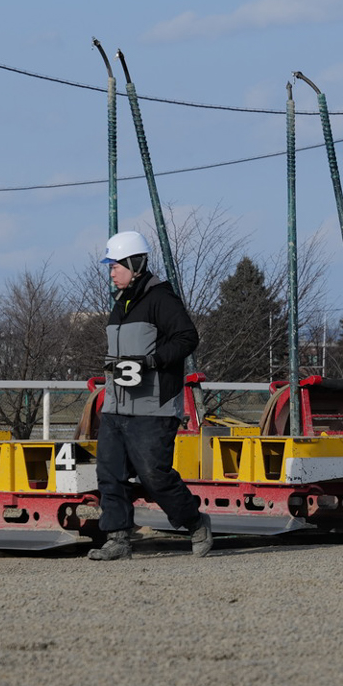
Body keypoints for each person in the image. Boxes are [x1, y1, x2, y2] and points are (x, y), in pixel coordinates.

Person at [90, 231, 211, 560]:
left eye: (115, 265)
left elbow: (188, 337)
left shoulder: (161, 299)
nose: (111, 272)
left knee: (154, 475)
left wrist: (154, 360)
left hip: (153, 405)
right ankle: (117, 539)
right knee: (109, 472)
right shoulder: (120, 304)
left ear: (134, 263)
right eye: (111, 266)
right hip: (116, 406)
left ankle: (195, 522)